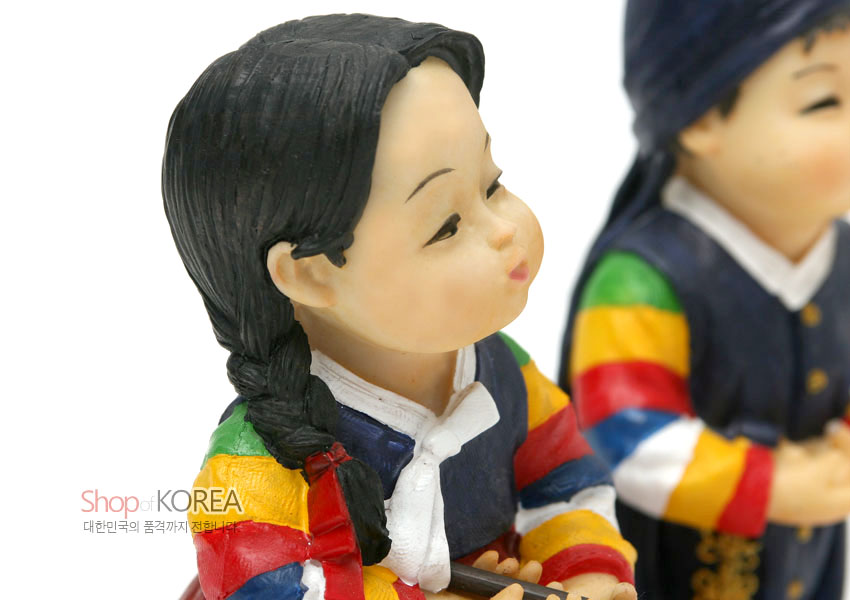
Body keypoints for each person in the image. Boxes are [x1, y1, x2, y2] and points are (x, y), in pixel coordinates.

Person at [163, 14, 637, 600]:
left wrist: (586, 572)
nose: (504, 232)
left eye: (491, 185)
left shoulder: (506, 373)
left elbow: (566, 482)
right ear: (309, 273)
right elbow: (269, 586)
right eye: (447, 225)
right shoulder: (254, 461)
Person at [560, 2, 850, 599]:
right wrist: (769, 487)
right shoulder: (644, 278)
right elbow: (623, 434)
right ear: (700, 119)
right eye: (825, 102)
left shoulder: (841, 256)